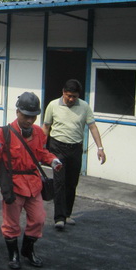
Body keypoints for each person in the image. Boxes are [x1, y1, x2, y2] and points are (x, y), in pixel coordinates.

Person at [0, 92, 62, 270]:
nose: (29, 120)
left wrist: (52, 160)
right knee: (11, 223)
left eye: (33, 117)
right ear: (17, 112)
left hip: (33, 184)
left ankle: (28, 250)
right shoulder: (3, 133)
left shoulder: (38, 132)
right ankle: (14, 254)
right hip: (13, 184)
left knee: (39, 219)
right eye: (26, 116)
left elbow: (41, 153)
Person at [43, 79, 106, 230]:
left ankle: (67, 214)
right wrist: (40, 148)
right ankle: (59, 218)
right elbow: (46, 127)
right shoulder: (53, 105)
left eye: (74, 97)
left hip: (75, 148)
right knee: (59, 182)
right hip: (57, 147)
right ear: (63, 92)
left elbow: (92, 127)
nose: (71, 99)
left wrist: (100, 148)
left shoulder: (84, 106)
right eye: (69, 96)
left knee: (71, 183)